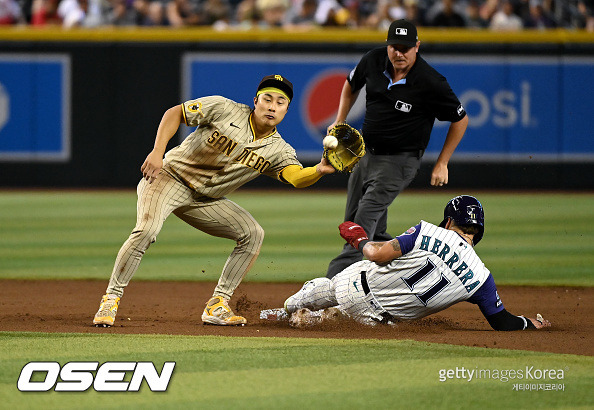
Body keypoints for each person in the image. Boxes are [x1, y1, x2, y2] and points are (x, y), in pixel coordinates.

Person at [93, 74, 335, 327]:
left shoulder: (280, 150)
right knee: (147, 229)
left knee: (253, 233)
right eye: (267, 99)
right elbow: (175, 113)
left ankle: (217, 304)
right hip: (168, 179)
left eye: (280, 102)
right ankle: (111, 298)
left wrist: (318, 170)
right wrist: (157, 151)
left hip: (206, 200)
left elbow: (295, 177)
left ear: (286, 109)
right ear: (256, 101)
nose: (272, 106)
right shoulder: (223, 108)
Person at [325, 19, 468, 279]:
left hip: (399, 162)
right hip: (365, 155)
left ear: (417, 47)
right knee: (365, 228)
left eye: (405, 47)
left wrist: (442, 162)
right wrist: (339, 120)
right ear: (387, 46)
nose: (399, 53)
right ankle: (397, 279)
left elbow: (460, 119)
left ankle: (327, 290)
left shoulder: (430, 81)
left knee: (358, 228)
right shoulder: (373, 60)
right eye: (394, 47)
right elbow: (350, 85)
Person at [283, 195, 552, 331]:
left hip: (351, 284)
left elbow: (376, 254)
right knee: (333, 321)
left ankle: (282, 312)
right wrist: (529, 323)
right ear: (479, 232)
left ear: (448, 222)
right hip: (375, 321)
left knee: (315, 293)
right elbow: (502, 322)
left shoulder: (428, 231)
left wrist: (360, 240)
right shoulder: (482, 278)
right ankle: (318, 318)